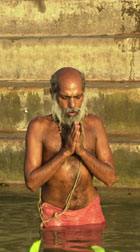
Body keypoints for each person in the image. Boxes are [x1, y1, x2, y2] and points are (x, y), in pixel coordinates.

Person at [24, 67, 116, 227]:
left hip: (91, 215)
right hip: (55, 217)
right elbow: (31, 183)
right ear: (52, 93)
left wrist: (81, 151)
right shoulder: (39, 127)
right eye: (65, 97)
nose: (72, 104)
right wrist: (65, 152)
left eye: (77, 97)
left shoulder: (94, 125)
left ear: (83, 94)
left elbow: (110, 179)